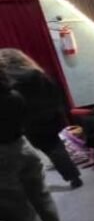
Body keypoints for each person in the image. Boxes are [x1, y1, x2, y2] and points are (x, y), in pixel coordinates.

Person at [0, 67, 71, 221]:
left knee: (18, 214)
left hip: (2, 155)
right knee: (42, 201)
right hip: (22, 146)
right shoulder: (12, 92)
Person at [0, 50, 81, 190]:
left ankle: (68, 176)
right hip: (50, 116)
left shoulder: (8, 80)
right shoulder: (37, 73)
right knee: (55, 147)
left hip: (29, 121)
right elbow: (55, 93)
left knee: (46, 150)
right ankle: (73, 176)